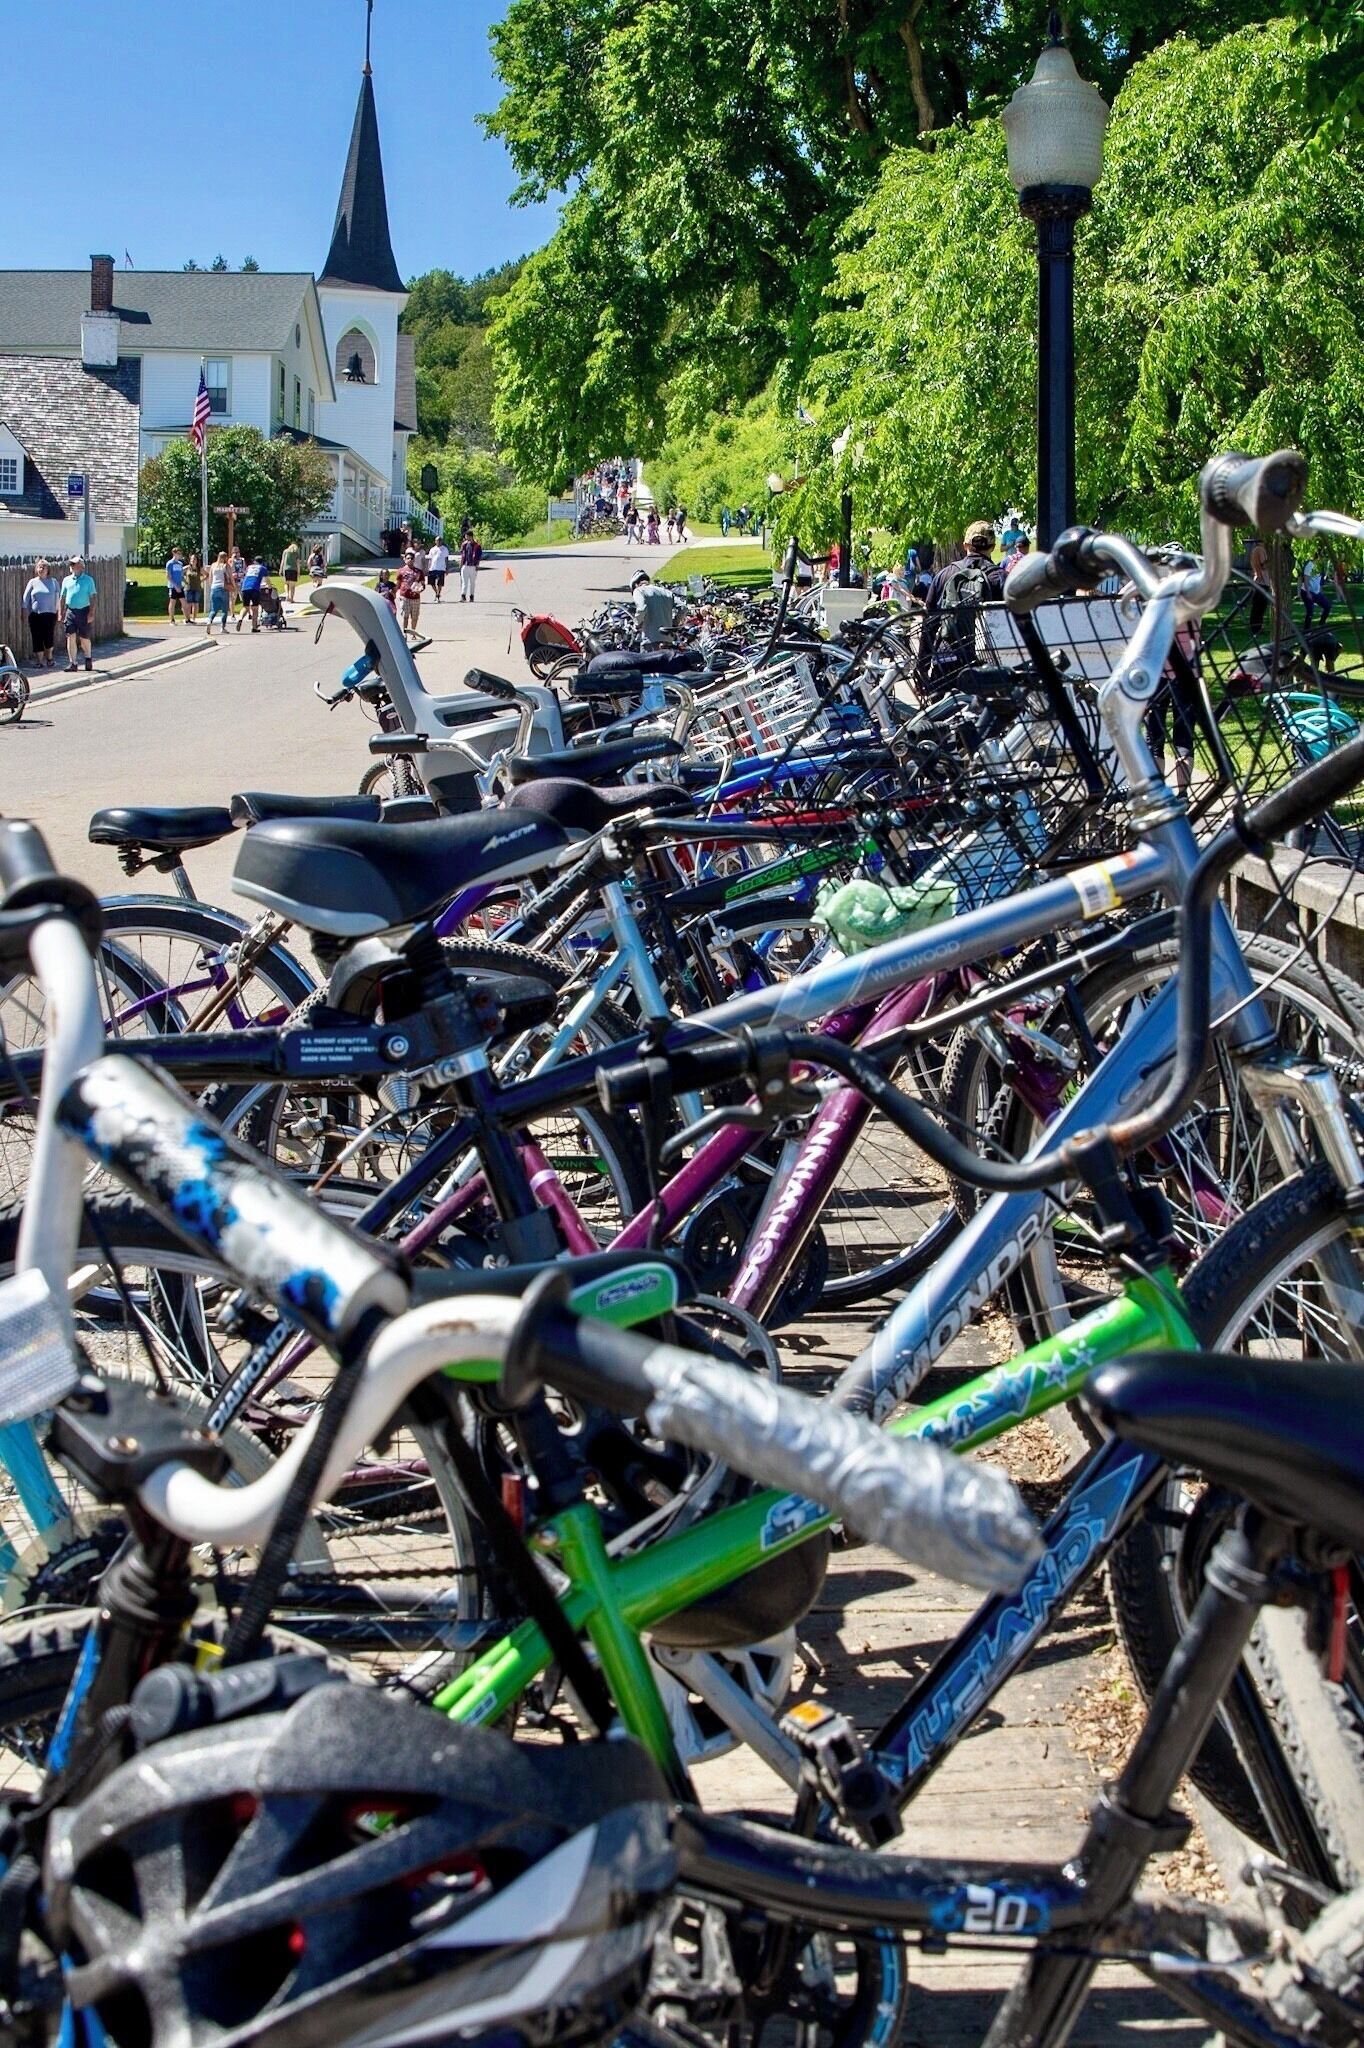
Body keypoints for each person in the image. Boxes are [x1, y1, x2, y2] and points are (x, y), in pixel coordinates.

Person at [915, 519, 1003, 688]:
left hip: (947, 661)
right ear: (992, 547)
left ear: (965, 545)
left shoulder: (943, 575)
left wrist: (922, 668)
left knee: (942, 704)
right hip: (987, 666)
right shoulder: (1000, 578)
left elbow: (929, 625)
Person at [630, 567, 684, 647]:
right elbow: (683, 607)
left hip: (650, 640)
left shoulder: (639, 591)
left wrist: (637, 624)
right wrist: (675, 622)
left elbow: (641, 609)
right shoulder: (666, 592)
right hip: (668, 639)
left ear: (635, 584)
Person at [21, 556, 59, 669]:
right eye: (39, 567)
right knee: (37, 637)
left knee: (48, 637)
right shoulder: (32, 582)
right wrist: (23, 612)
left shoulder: (53, 582)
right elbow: (25, 599)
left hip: (50, 614)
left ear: (48, 570)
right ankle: (40, 661)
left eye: (43, 567)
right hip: (35, 615)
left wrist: (59, 612)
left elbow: (58, 598)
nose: (41, 569)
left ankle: (50, 658)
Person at [59, 555, 96, 672]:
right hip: (70, 610)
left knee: (84, 637)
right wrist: (60, 612)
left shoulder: (88, 580)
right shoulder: (67, 580)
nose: (72, 566)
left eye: (74, 564)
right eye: (71, 564)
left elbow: (93, 597)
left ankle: (88, 657)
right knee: (70, 636)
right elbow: (62, 597)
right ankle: (73, 663)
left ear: (81, 567)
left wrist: (91, 613)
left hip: (84, 610)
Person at [237, 553, 268, 632]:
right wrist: (269, 586)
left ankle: (240, 618)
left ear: (254, 561)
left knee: (245, 607)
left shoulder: (249, 567)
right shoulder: (263, 568)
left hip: (244, 588)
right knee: (255, 608)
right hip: (254, 589)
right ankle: (254, 627)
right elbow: (267, 580)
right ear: (262, 562)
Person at [398, 548, 425, 635]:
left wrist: (420, 589)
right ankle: (404, 633)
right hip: (404, 596)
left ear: (414, 560)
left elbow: (422, 584)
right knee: (405, 616)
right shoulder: (401, 571)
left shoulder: (418, 572)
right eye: (408, 558)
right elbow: (398, 584)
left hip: (415, 597)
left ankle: (413, 632)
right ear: (404, 559)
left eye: (412, 558)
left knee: (414, 617)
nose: (410, 560)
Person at [206, 551, 231, 632]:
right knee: (224, 609)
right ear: (225, 558)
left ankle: (209, 620)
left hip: (214, 588)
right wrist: (233, 587)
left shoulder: (213, 565)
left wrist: (211, 587)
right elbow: (230, 577)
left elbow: (210, 578)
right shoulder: (226, 566)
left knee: (214, 609)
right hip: (223, 588)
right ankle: (222, 627)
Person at [165, 547, 186, 622]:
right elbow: (168, 577)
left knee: (184, 602)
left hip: (180, 586)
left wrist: (186, 582)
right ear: (174, 553)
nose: (180, 555)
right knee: (172, 602)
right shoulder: (170, 563)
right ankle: (172, 619)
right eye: (178, 554)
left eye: (180, 554)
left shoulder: (180, 564)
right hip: (173, 586)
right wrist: (175, 586)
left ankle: (187, 619)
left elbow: (181, 575)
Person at [183, 552, 203, 625]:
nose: (193, 560)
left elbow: (207, 575)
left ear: (197, 560)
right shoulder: (187, 568)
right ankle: (187, 619)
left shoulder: (199, 569)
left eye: (194, 559)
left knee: (196, 604)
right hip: (188, 588)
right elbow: (179, 573)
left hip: (197, 588)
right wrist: (184, 581)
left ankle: (194, 619)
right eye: (192, 559)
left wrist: (201, 580)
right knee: (188, 604)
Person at [458, 531, 478, 602]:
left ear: (470, 536)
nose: (466, 538)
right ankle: (463, 596)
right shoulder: (464, 544)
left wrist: (477, 565)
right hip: (465, 565)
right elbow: (462, 555)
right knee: (464, 582)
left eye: (467, 536)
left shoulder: (476, 545)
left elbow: (478, 556)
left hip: (473, 566)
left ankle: (471, 595)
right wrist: (461, 564)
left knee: (472, 582)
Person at [280, 538, 301, 603]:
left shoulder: (285, 551)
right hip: (294, 570)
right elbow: (298, 563)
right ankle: (291, 599)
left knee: (286, 583)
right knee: (292, 586)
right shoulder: (296, 553)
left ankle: (287, 594)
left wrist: (280, 569)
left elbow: (283, 561)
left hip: (286, 569)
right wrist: (299, 572)